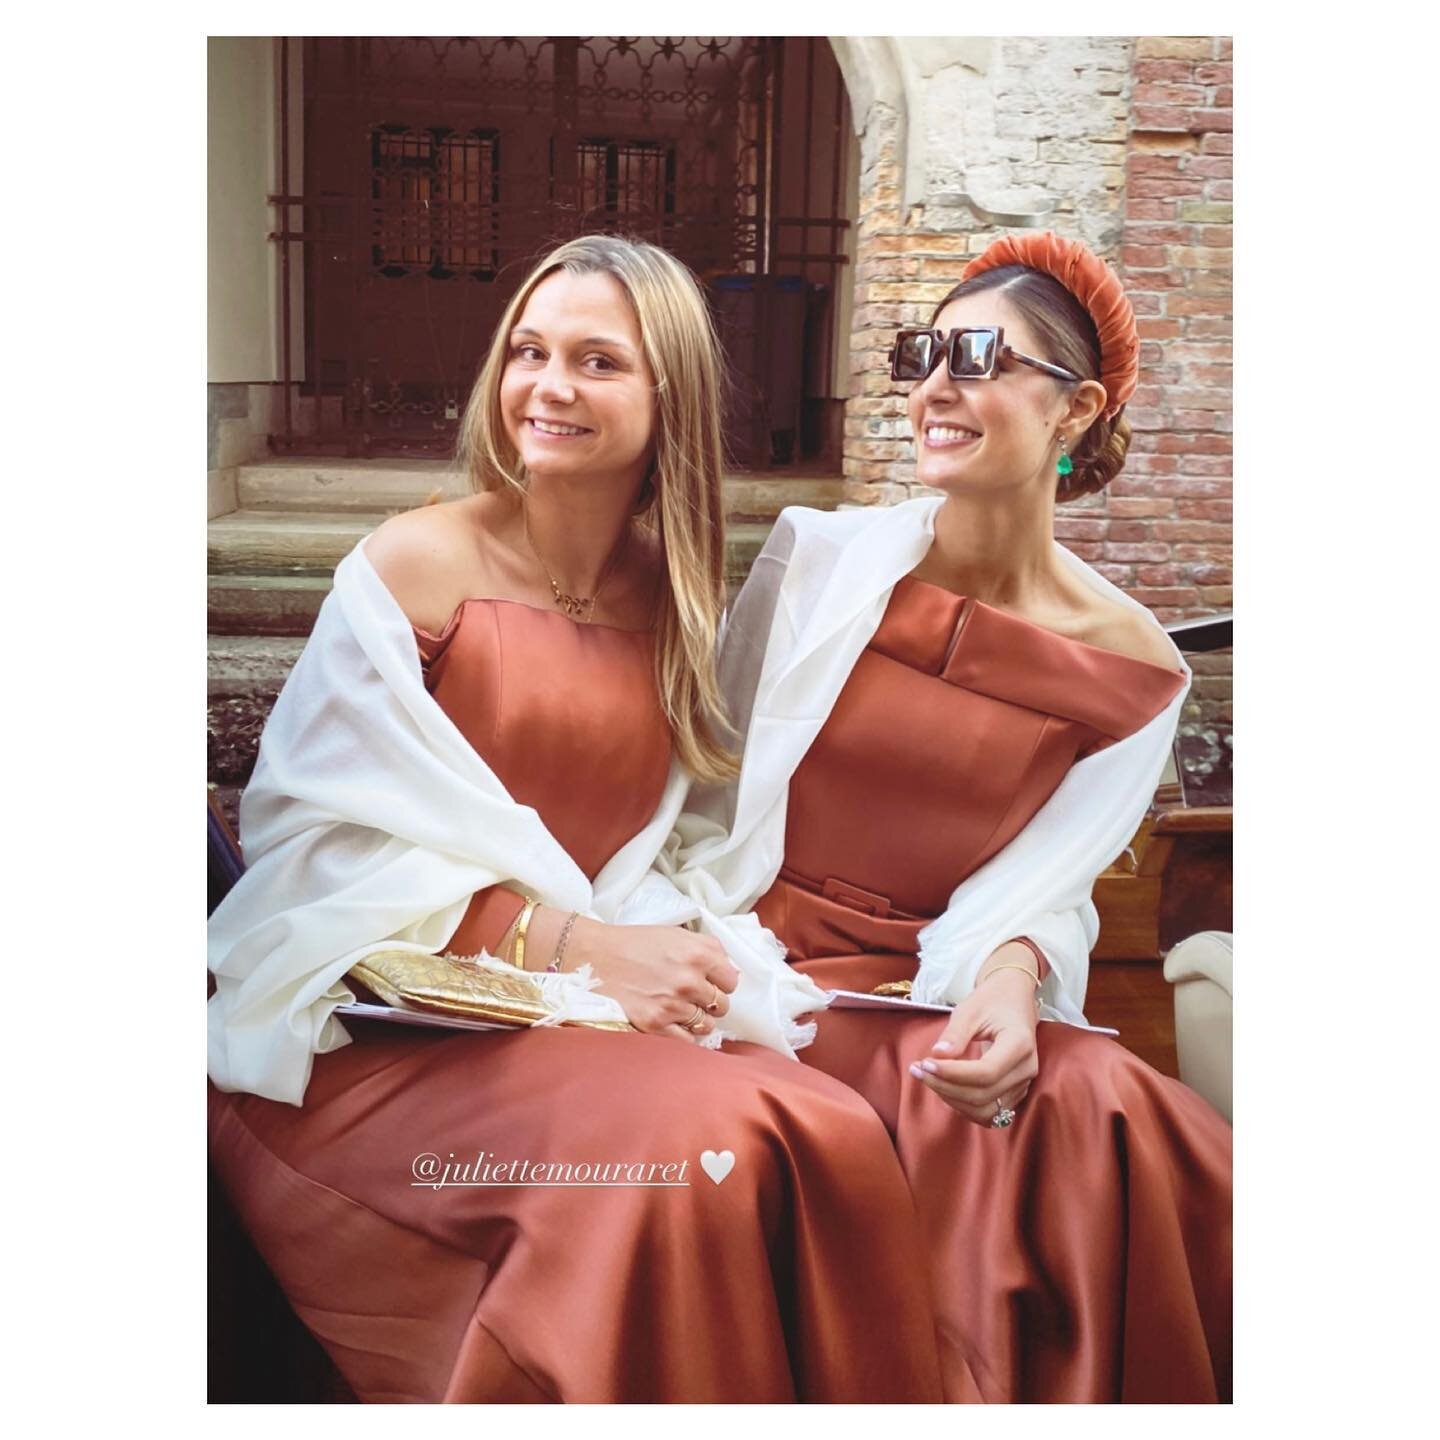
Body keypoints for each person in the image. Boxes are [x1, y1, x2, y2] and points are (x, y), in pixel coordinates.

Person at [207, 234, 950, 1403]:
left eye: (598, 361)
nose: (548, 387)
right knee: (703, 1158)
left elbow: (676, 838)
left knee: (833, 1130)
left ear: (671, 398)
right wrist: (579, 946)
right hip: (376, 1035)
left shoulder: (677, 600)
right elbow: (317, 848)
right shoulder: (413, 563)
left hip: (576, 1013)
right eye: (528, 351)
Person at [663, 232, 1233, 1403]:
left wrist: (1012, 977)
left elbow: (1048, 881)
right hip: (744, 961)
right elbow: (699, 790)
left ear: (1075, 410)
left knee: (1102, 1104)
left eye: (976, 356)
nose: (934, 385)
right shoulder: (816, 561)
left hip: (928, 986)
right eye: (922, 353)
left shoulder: (1138, 670)